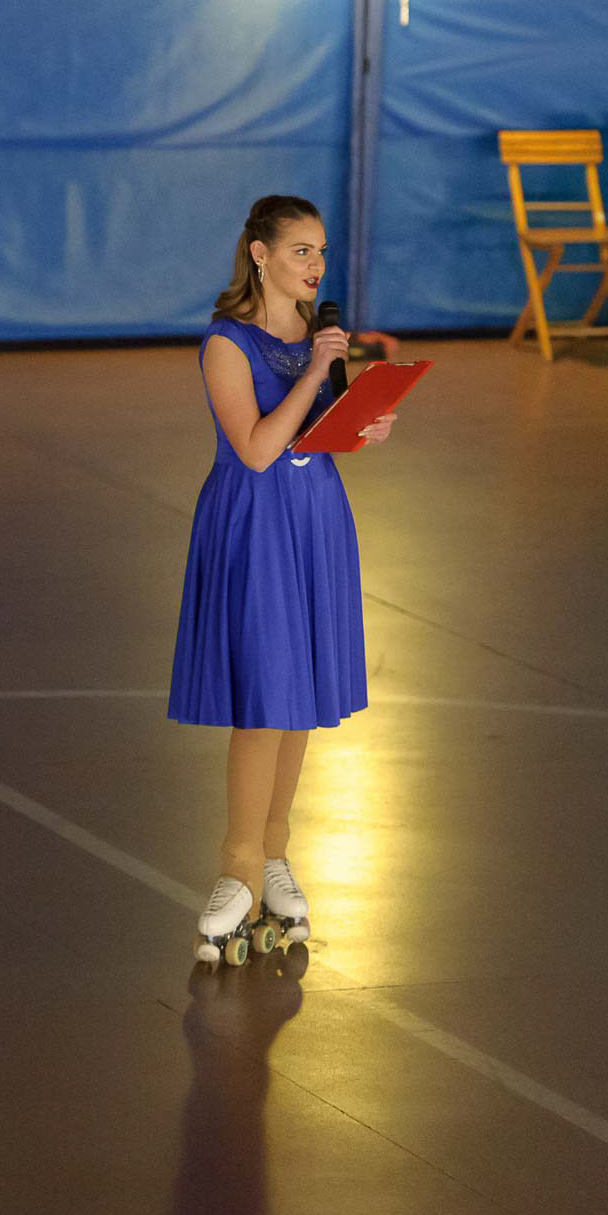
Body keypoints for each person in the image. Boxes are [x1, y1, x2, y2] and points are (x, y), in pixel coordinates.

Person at [167, 194, 396, 965]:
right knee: (264, 698)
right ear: (260, 255)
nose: (317, 264)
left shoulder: (314, 334)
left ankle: (273, 853)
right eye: (302, 250)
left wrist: (364, 420)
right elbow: (260, 448)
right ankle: (236, 865)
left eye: (321, 250)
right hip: (254, 521)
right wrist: (321, 369)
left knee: (296, 698)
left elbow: (320, 434)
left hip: (315, 517)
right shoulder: (227, 344)